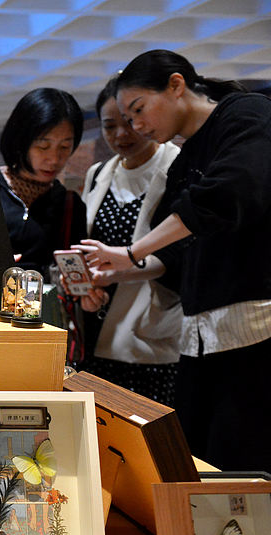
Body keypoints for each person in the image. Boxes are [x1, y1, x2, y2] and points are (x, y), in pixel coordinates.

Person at [77, 50, 271, 471]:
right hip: (200, 332)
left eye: (138, 110)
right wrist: (118, 268)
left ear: (177, 85)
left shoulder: (248, 114)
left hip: (251, 324)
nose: (136, 126)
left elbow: (225, 196)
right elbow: (184, 246)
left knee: (243, 461)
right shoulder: (187, 157)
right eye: (125, 119)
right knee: (195, 461)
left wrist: (131, 253)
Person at [73, 77, 182, 406]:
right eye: (110, 125)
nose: (121, 134)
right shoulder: (98, 173)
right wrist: (86, 290)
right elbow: (90, 249)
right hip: (99, 328)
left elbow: (180, 254)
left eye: (131, 122)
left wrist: (122, 267)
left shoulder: (176, 166)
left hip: (153, 336)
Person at [0, 88, 87, 279]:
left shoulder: (70, 206)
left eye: (65, 147)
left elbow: (76, 275)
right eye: (43, 146)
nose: (54, 158)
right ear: (21, 141)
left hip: (40, 306)